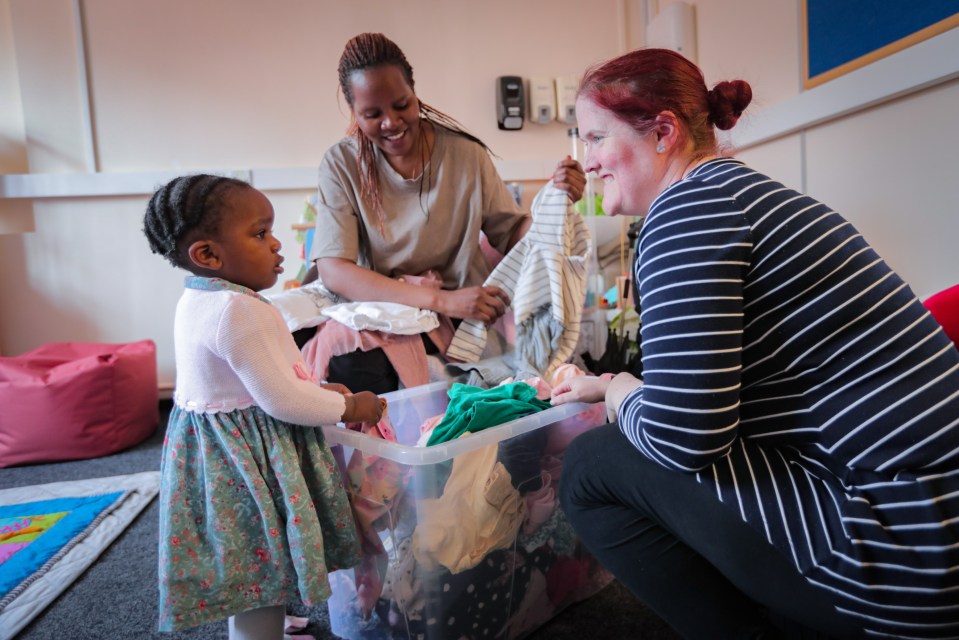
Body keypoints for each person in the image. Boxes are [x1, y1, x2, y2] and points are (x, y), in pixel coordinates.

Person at [551, 48, 959, 639]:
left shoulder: (683, 213)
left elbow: (681, 437)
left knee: (592, 465)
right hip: (933, 524)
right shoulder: (742, 195)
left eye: (594, 139)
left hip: (905, 558)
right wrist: (615, 386)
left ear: (663, 132)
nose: (585, 162)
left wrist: (616, 389)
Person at [143, 174, 385, 639]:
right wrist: (352, 404)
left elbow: (265, 380)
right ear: (209, 255)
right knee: (261, 565)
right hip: (248, 460)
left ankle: (272, 622)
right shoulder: (240, 311)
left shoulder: (199, 296)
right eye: (260, 234)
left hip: (218, 451)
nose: (276, 245)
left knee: (257, 559)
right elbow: (284, 400)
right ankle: (258, 631)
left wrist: (323, 392)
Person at [301, 31, 586, 393]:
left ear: (415, 92)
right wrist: (441, 300)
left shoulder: (466, 155)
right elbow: (335, 270)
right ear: (354, 112)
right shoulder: (342, 164)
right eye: (372, 114)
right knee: (355, 369)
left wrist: (555, 205)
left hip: (465, 323)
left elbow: (511, 233)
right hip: (387, 317)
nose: (391, 122)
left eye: (402, 105)